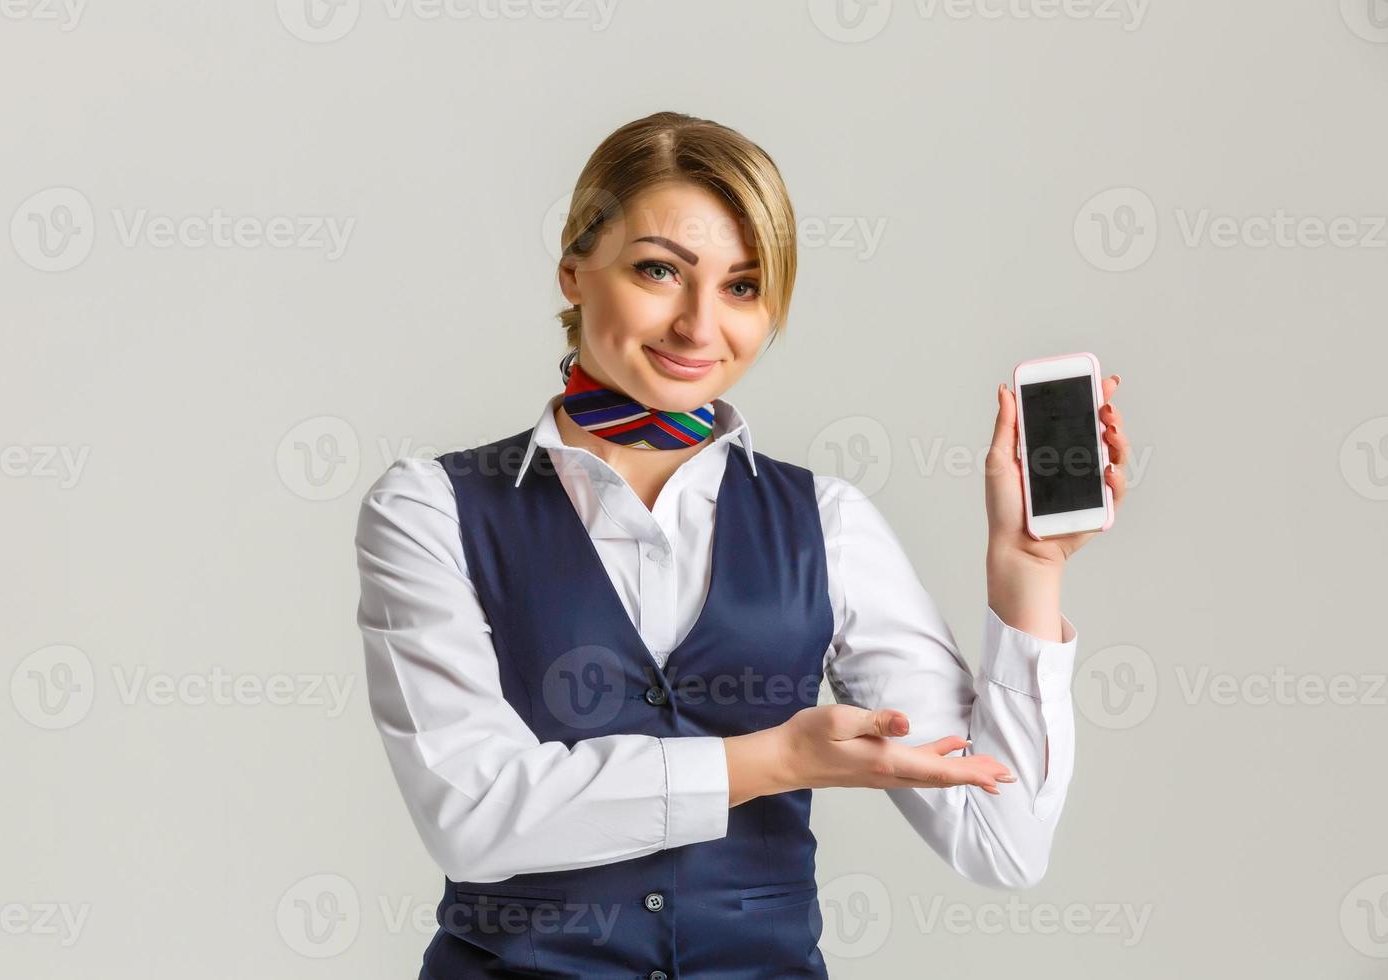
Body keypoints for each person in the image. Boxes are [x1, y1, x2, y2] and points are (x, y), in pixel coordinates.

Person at [356, 110, 1130, 979]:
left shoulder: (827, 522)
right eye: (660, 270)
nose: (698, 325)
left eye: (743, 287)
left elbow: (1003, 839)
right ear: (574, 271)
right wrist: (773, 760)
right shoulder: (430, 508)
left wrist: (1027, 575)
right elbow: (471, 811)